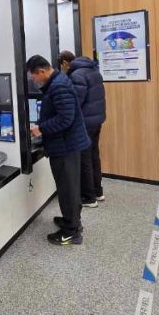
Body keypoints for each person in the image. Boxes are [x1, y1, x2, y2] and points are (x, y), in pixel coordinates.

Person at [26, 54, 90, 246]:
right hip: (66, 144)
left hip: (65, 146)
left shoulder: (58, 86)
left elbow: (65, 119)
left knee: (68, 189)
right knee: (69, 187)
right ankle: (72, 221)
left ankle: (71, 232)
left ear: (42, 71)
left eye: (34, 76)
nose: (34, 80)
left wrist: (41, 128)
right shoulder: (57, 82)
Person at [59, 51, 106, 208]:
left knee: (84, 158)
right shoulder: (93, 71)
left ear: (65, 63)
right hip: (97, 120)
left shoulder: (77, 75)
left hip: (85, 122)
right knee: (94, 155)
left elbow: (75, 102)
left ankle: (88, 197)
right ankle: (98, 191)